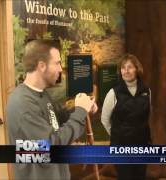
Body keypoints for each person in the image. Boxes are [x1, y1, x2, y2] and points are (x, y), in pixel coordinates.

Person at [6, 39, 98, 180]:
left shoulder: (41, 93)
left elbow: (57, 116)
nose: (61, 69)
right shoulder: (23, 104)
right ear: (42, 66)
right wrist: (80, 112)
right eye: (57, 63)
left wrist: (82, 107)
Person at [101, 54, 151, 180]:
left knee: (140, 176)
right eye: (123, 68)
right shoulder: (113, 93)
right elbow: (105, 119)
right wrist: (117, 135)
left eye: (130, 67)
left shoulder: (146, 91)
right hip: (121, 146)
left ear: (137, 69)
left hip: (142, 145)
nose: (126, 71)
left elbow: (146, 117)